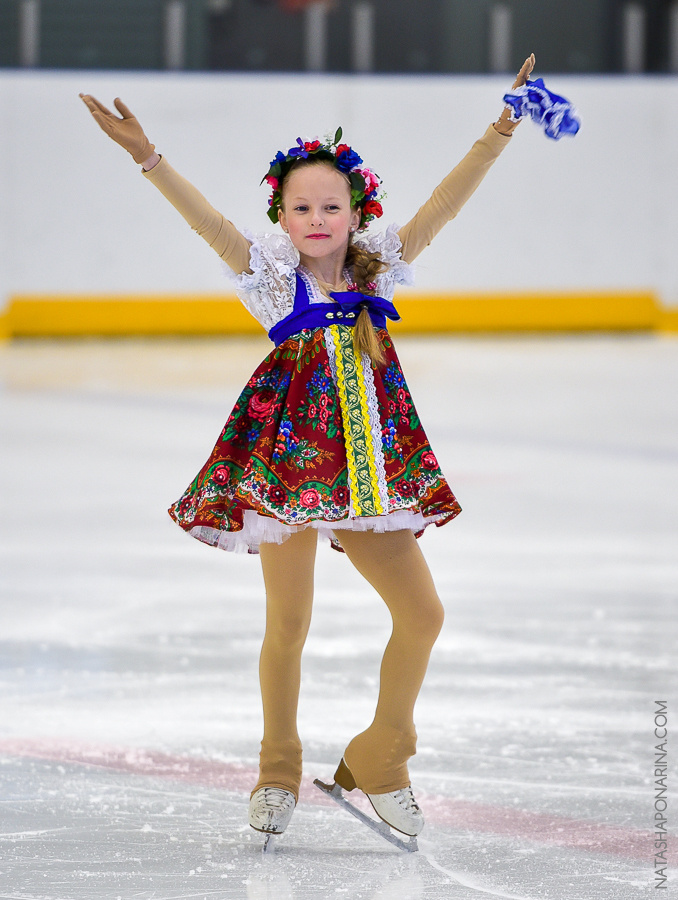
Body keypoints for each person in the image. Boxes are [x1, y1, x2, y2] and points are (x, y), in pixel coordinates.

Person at [80, 52, 535, 845]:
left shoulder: (381, 268)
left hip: (369, 475)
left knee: (422, 614)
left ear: (356, 212)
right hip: (285, 470)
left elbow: (445, 205)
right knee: (288, 623)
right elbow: (206, 223)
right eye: (301, 207)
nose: (318, 218)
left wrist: (501, 127)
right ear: (282, 217)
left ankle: (381, 754)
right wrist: (146, 156)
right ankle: (277, 769)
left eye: (332, 204)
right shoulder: (268, 277)